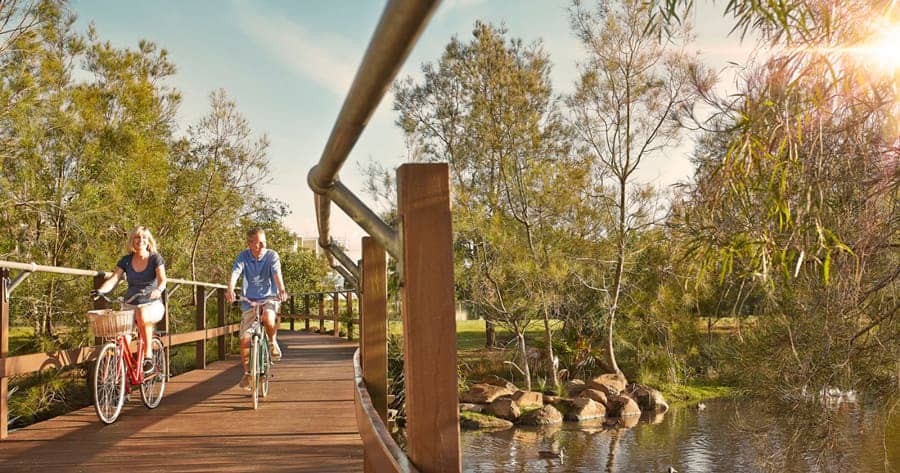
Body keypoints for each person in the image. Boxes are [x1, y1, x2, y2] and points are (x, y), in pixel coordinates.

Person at [95, 225, 167, 375]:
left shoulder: (155, 258)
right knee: (121, 338)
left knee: (142, 313)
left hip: (152, 304)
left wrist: (158, 290)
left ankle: (148, 356)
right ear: (132, 240)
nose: (140, 240)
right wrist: (101, 290)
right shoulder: (126, 261)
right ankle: (121, 381)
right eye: (137, 237)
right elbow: (114, 278)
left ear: (148, 241)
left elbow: (162, 280)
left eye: (144, 238)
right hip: (130, 305)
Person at [226, 227, 288, 389]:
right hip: (249, 300)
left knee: (268, 317)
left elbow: (276, 273)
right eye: (258, 243)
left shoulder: (271, 256)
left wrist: (281, 290)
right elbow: (235, 273)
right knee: (245, 340)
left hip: (269, 297)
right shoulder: (243, 256)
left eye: (263, 243)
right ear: (249, 244)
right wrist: (230, 289)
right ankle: (248, 374)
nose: (261, 246)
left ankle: (273, 342)